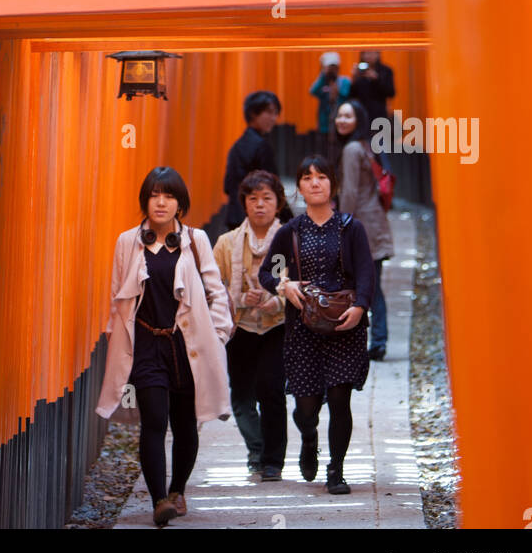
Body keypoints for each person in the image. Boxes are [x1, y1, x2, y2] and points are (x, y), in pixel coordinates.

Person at [96, 166, 232, 527]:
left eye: (168, 195)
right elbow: (116, 295)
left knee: (185, 423)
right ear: (145, 201)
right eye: (154, 195)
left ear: (180, 204)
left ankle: (177, 490)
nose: (160, 202)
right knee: (154, 419)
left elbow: (216, 290)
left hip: (187, 344)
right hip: (145, 342)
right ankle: (158, 500)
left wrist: (218, 335)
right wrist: (114, 334)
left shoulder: (195, 240)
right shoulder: (128, 241)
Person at [259, 156, 373, 495]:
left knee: (340, 398)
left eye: (321, 177)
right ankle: (309, 439)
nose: (314, 183)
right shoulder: (288, 233)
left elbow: (367, 272)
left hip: (343, 325)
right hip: (303, 328)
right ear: (299, 188)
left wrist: (360, 306)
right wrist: (285, 285)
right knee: (305, 406)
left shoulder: (352, 228)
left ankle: (336, 469)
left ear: (332, 185)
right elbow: (268, 272)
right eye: (307, 178)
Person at [213, 171, 293, 479]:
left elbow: (296, 279)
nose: (260, 205)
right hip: (240, 326)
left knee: (271, 389)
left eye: (267, 199)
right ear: (244, 203)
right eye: (253, 199)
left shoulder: (289, 238)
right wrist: (240, 298)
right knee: (242, 395)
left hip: (277, 324)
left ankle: (273, 460)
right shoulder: (226, 243)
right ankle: (256, 448)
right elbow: (215, 285)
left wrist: (276, 297)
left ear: (278, 203)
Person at [334, 98, 394, 361]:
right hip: (375, 222)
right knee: (374, 285)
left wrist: (341, 225)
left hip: (362, 226)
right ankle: (379, 339)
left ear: (358, 120)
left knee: (363, 285)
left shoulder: (350, 150)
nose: (342, 120)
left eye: (348, 116)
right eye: (339, 116)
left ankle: (372, 339)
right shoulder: (366, 146)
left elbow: (349, 192)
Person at [223, 91, 282, 230]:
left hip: (234, 217)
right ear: (253, 114)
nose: (273, 118)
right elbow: (273, 187)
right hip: (256, 220)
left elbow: (227, 186)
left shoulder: (237, 146)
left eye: (275, 113)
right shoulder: (262, 146)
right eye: (269, 112)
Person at [349, 50, 396, 173]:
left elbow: (391, 92)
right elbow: (352, 95)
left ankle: (387, 184)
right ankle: (371, 186)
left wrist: (376, 79)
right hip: (362, 120)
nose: (369, 56)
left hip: (379, 120)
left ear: (379, 54)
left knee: (382, 153)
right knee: (364, 154)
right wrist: (354, 79)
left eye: (372, 52)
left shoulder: (385, 71)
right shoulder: (360, 74)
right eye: (366, 53)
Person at [309, 53, 351, 164]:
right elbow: (313, 91)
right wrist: (323, 75)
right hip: (324, 125)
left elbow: (347, 95)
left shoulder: (344, 81)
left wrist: (337, 91)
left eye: (334, 67)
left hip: (340, 125)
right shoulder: (323, 82)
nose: (332, 70)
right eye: (329, 67)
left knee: (339, 154)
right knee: (323, 155)